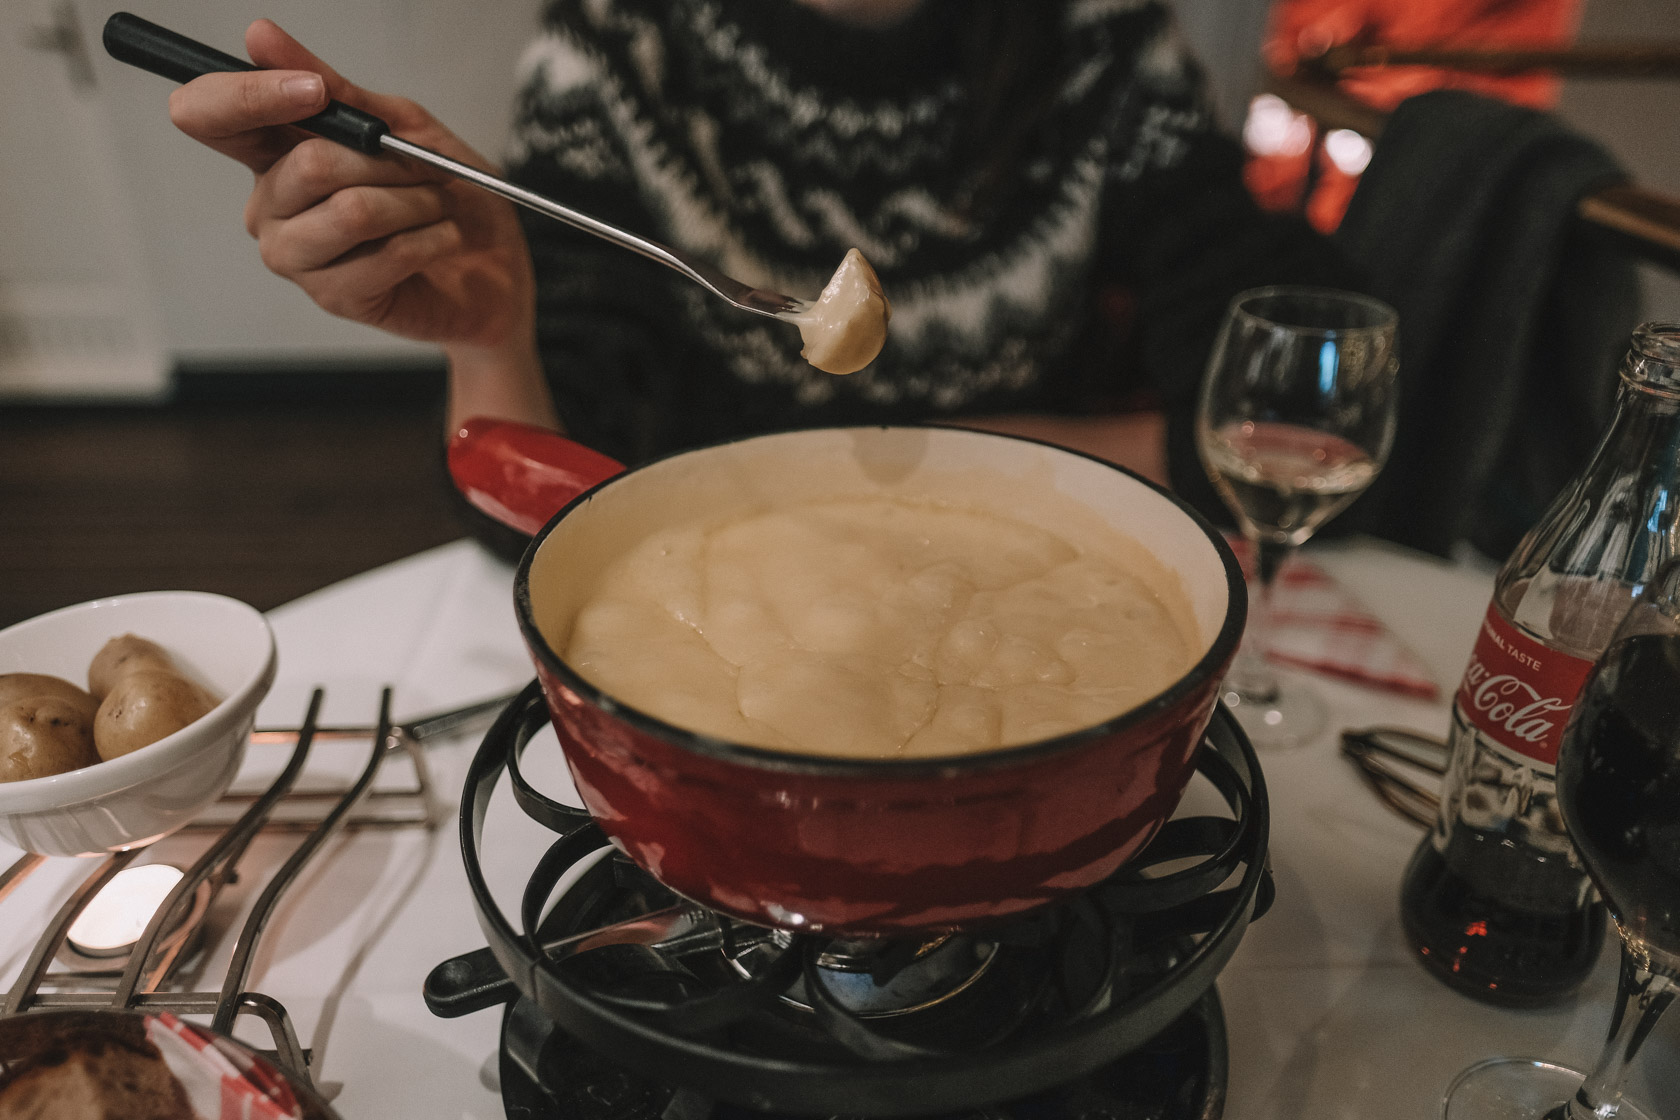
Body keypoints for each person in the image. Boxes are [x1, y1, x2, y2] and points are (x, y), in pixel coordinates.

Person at [166, 0, 1359, 543]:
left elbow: (1263, 413)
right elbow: (563, 504)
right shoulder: (618, 47)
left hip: (1016, 564)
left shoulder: (1104, 40)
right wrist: (494, 335)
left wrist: (922, 470)